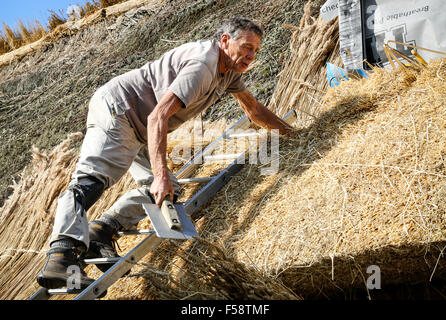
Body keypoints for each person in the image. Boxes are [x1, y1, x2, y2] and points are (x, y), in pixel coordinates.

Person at [37, 16, 294, 289]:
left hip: (140, 125)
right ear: (225, 41)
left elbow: (253, 109)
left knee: (165, 191)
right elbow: (158, 116)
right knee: (92, 180)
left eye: (256, 50)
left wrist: (292, 133)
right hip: (120, 110)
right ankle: (61, 257)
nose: (251, 55)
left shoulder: (229, 72)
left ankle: (101, 231)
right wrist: (160, 173)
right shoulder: (203, 65)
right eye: (247, 47)